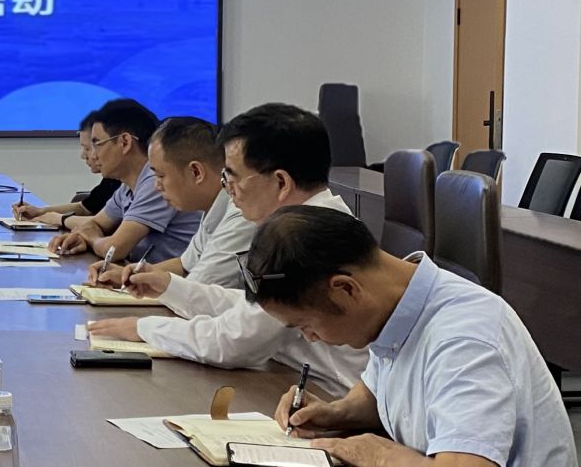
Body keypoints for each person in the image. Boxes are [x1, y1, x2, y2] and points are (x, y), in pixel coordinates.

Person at [249, 207, 581, 467]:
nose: (309, 338)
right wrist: (337, 413)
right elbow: (386, 392)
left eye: (305, 325)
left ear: (346, 289)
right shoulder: (397, 304)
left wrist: (381, 454)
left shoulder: (464, 338)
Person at [88, 102, 365, 393]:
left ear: (281, 182)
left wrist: (143, 328)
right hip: (297, 379)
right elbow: (251, 307)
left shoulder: (304, 239)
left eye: (232, 177)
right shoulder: (311, 220)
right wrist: (169, 287)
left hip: (330, 394)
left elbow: (232, 343)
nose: (228, 189)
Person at [89, 116, 256, 291]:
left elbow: (194, 293)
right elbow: (184, 265)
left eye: (161, 176)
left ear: (196, 172)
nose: (157, 186)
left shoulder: (240, 216)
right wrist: (130, 276)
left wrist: (140, 281)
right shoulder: (213, 207)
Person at [47, 98, 200, 265]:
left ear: (125, 142)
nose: (92, 155)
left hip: (173, 278)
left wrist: (92, 239)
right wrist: (84, 238)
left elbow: (114, 250)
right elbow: (96, 224)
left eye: (97, 144)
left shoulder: (154, 182)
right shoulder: (128, 185)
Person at [11, 111, 119, 227]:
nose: (83, 156)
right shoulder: (112, 180)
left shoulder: (127, 185)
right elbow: (85, 208)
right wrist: (40, 212)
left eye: (87, 148)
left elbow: (104, 224)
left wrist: (59, 219)